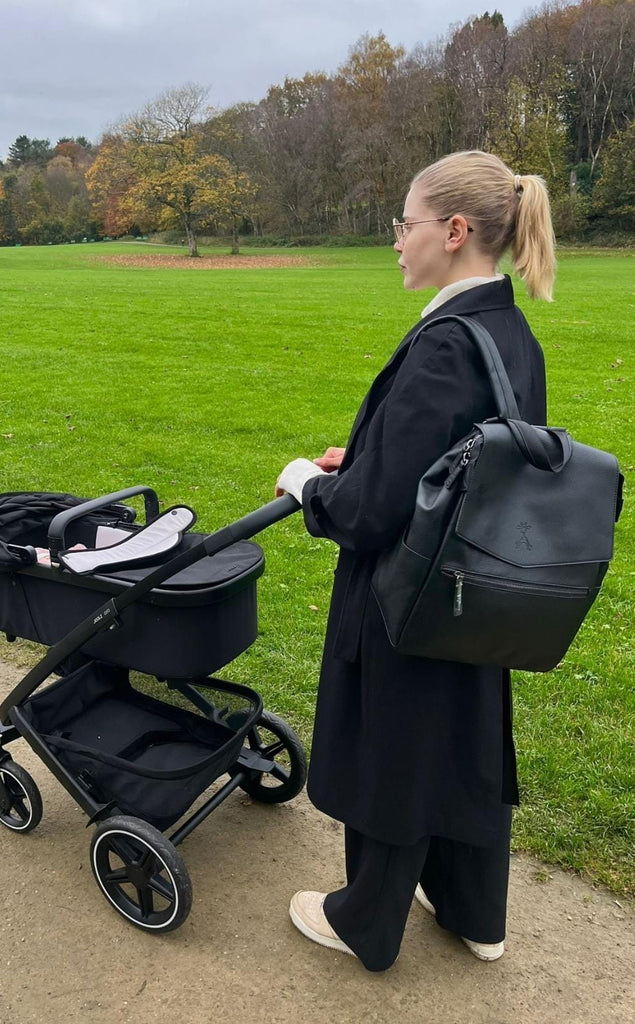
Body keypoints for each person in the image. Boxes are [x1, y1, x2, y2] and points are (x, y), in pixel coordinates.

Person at [275, 150, 555, 972]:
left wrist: (307, 486)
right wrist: (362, 455)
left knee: (395, 743)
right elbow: (458, 460)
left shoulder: (445, 342)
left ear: (456, 231)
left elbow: (369, 514)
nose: (398, 240)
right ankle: (475, 912)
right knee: (460, 737)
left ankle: (364, 919)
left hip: (410, 593)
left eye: (408, 223)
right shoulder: (505, 329)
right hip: (477, 586)